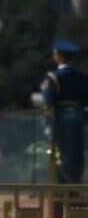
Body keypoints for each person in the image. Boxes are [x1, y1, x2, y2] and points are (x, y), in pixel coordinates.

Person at [42, 39, 88, 184]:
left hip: (61, 117)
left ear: (59, 56)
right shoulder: (81, 77)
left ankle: (64, 186)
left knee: (62, 151)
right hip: (79, 116)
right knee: (77, 151)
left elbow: (49, 100)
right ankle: (76, 183)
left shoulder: (54, 76)